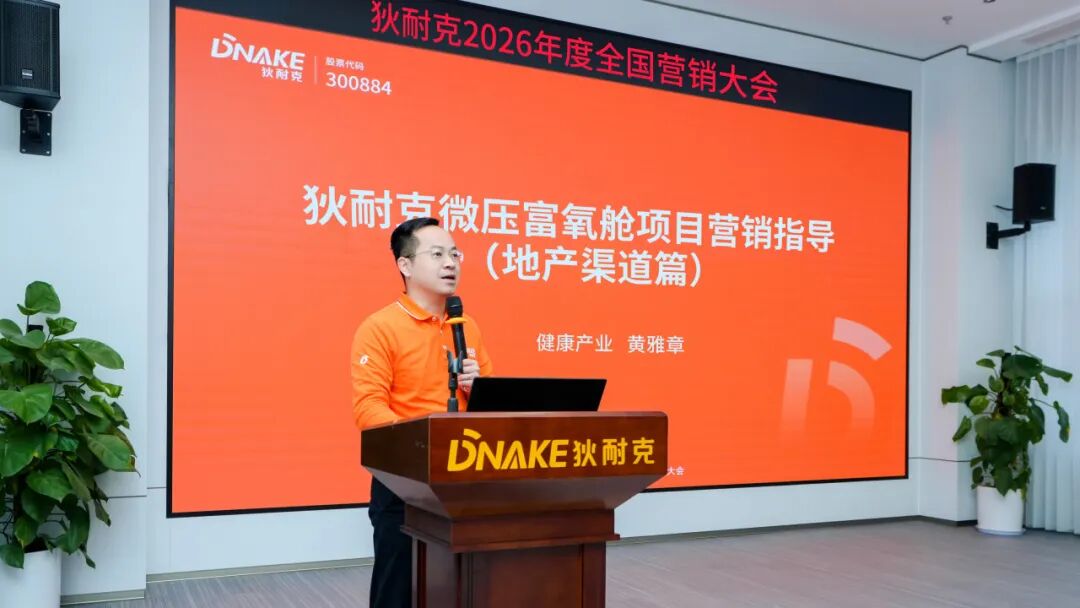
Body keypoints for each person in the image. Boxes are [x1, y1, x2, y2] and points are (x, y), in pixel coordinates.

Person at [351, 217, 493, 608]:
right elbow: (368, 409)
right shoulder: (380, 327)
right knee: (398, 589)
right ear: (406, 265)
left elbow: (491, 408)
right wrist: (420, 444)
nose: (450, 263)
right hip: (405, 481)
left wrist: (476, 389)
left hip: (464, 475)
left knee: (461, 586)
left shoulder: (466, 326)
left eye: (455, 254)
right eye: (437, 254)